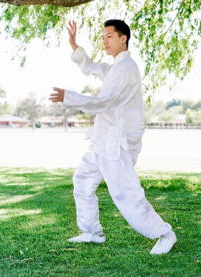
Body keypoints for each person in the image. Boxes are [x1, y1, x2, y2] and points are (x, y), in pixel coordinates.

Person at [49, 19, 177, 255]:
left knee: (125, 192)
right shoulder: (116, 68)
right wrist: (74, 45)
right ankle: (92, 232)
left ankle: (164, 234)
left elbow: (103, 102)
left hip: (117, 142)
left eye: (109, 36)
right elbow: (92, 67)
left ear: (123, 38)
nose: (105, 41)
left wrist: (69, 96)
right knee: (83, 182)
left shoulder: (125, 69)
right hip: (103, 140)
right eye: (103, 37)